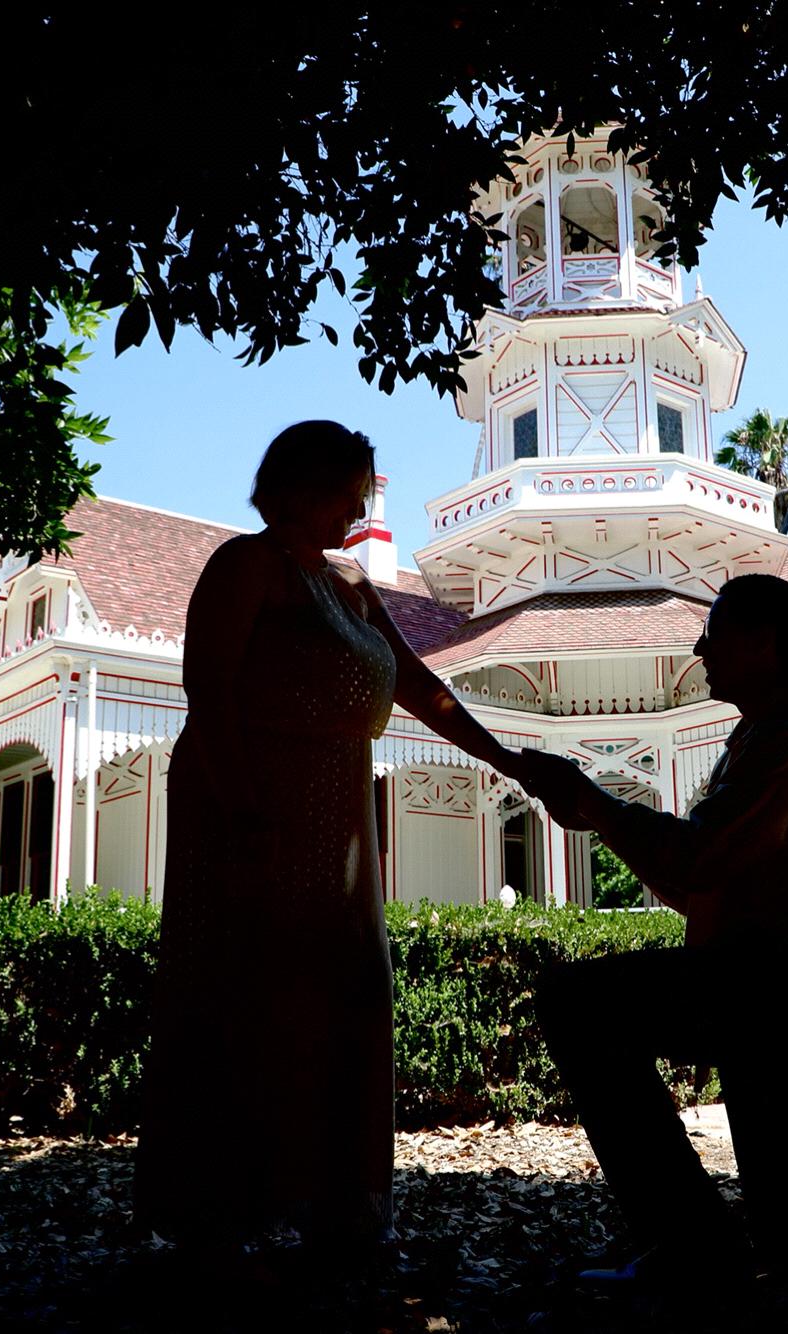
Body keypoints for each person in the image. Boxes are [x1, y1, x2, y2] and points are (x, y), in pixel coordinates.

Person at [135, 421, 530, 1266]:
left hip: (339, 815)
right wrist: (245, 818)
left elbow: (418, 685)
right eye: (350, 491)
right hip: (250, 803)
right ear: (304, 485)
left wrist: (506, 757)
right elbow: (209, 692)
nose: (358, 509)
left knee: (344, 992)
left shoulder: (349, 583)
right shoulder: (246, 565)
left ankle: (330, 1203)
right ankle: (225, 1211)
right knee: (250, 995)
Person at [516, 574, 788, 1281]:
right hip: (773, 984)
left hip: (787, 990)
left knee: (575, 1002)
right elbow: (700, 885)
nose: (698, 648)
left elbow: (698, 861)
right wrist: (597, 813)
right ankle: (706, 1253)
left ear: (762, 644)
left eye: (712, 635)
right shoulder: (767, 736)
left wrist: (592, 802)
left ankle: (691, 1247)